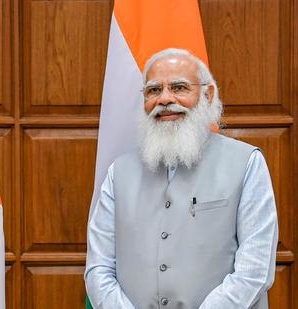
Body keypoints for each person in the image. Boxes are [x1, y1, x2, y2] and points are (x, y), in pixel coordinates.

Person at [85, 48, 278, 308]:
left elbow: (254, 270)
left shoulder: (247, 163)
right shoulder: (118, 172)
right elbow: (98, 269)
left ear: (207, 95)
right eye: (154, 90)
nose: (165, 99)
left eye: (179, 88)